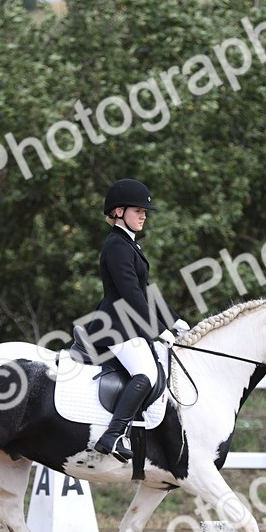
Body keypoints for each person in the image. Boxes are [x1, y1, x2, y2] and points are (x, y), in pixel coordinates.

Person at [90, 178, 189, 461]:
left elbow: (146, 291)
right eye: (138, 211)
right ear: (119, 212)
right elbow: (131, 295)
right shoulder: (117, 246)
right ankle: (113, 436)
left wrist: (174, 320)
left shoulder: (129, 245)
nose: (144, 215)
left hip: (127, 325)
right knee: (145, 374)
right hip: (114, 327)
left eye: (145, 211)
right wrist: (159, 330)